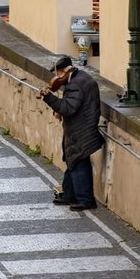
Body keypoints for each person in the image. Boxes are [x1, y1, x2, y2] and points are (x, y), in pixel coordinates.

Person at [39, 54, 104, 211]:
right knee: (73, 161)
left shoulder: (75, 85)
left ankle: (85, 199)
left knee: (78, 161)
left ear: (66, 70)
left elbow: (68, 108)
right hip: (81, 128)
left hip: (81, 130)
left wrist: (49, 98)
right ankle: (69, 194)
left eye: (59, 73)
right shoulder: (78, 79)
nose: (57, 78)